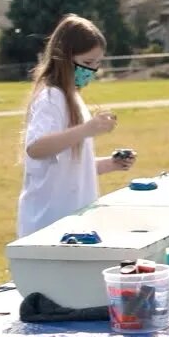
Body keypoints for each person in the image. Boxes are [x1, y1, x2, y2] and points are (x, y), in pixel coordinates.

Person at [16, 14, 136, 239]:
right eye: (88, 63)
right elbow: (35, 148)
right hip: (48, 224)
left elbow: (72, 165)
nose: (92, 70)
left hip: (74, 222)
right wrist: (87, 129)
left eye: (98, 63)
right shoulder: (51, 97)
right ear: (64, 57)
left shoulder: (73, 99)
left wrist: (110, 164)